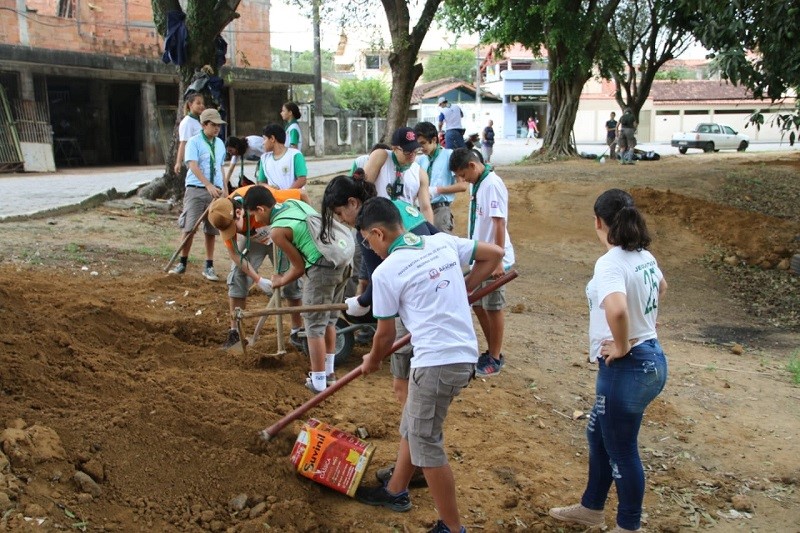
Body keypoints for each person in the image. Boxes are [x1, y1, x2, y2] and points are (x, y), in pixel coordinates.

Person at [353, 196, 504, 533]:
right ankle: (395, 490)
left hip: (437, 363)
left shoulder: (387, 271)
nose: (369, 247)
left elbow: (385, 335)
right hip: (463, 353)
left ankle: (451, 527)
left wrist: (372, 361)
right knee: (414, 423)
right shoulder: (441, 242)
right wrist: (464, 288)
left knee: (426, 442)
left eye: (366, 239)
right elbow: (494, 254)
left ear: (377, 233)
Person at [549, 188, 668, 533]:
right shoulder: (642, 254)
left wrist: (621, 345)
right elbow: (661, 287)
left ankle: (629, 527)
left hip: (628, 367)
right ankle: (591, 508)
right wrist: (643, 322)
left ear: (598, 221)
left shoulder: (611, 262)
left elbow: (616, 309)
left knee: (622, 450)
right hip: (650, 359)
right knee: (599, 435)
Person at [322, 172, 437, 406]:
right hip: (436, 286)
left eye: (339, 213)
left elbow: (381, 277)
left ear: (353, 203)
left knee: (404, 365)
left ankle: (411, 405)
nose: (342, 219)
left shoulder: (367, 229)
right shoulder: (393, 207)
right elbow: (436, 237)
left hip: (413, 299)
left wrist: (362, 301)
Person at [243, 186, 350, 393]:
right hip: (342, 258)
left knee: (313, 326)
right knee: (328, 320)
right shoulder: (295, 204)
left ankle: (318, 382)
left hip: (322, 266)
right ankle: (329, 373)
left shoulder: (277, 231)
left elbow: (299, 268)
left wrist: (280, 281)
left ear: (261, 208)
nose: (255, 220)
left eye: (254, 214)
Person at [206, 184, 307, 349]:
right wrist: (258, 280)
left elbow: (302, 194)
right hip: (254, 238)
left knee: (292, 280)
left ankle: (297, 331)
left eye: (233, 228)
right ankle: (235, 333)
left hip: (280, 232)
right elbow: (235, 254)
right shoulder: (222, 214)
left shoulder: (262, 198)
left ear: (239, 213)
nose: (232, 233)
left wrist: (305, 222)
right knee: (237, 276)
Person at [449, 148, 515, 376]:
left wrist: (498, 259)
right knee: (476, 302)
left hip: (494, 258)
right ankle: (491, 350)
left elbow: (499, 223)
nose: (462, 180)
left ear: (472, 165)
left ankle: (495, 357)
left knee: (493, 306)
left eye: (462, 174)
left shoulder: (492, 184)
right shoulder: (479, 183)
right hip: (481, 254)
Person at [169, 108, 227, 281]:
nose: (217, 128)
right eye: (213, 125)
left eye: (219, 125)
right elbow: (193, 165)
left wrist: (225, 188)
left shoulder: (220, 143)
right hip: (196, 189)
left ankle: (209, 265)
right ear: (204, 125)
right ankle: (182, 262)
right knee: (189, 227)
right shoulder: (193, 142)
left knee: (211, 229)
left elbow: (220, 167)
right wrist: (207, 184)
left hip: (215, 191)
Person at [362, 127, 434, 225]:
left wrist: (430, 235)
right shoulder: (381, 157)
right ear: (394, 148)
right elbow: (363, 189)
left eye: (415, 150)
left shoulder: (420, 173)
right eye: (407, 151)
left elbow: (425, 208)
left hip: (405, 223)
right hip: (378, 221)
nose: (412, 154)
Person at [414, 121, 468, 234]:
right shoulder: (421, 160)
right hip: (421, 210)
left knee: (442, 246)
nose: (421, 148)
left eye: (423, 143)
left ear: (434, 140)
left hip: (440, 210)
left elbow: (462, 186)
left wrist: (437, 190)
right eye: (418, 144)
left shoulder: (449, 155)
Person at [256, 124, 307, 190]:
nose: (263, 143)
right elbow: (261, 183)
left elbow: (302, 180)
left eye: (264, 139)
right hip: (274, 198)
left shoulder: (295, 155)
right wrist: (270, 188)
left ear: (272, 139)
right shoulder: (264, 159)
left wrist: (284, 194)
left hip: (293, 198)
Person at [174, 93, 205, 175]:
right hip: (194, 161)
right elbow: (183, 143)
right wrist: (178, 163)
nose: (201, 105)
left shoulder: (199, 121)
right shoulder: (187, 122)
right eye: (198, 103)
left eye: (202, 103)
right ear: (190, 105)